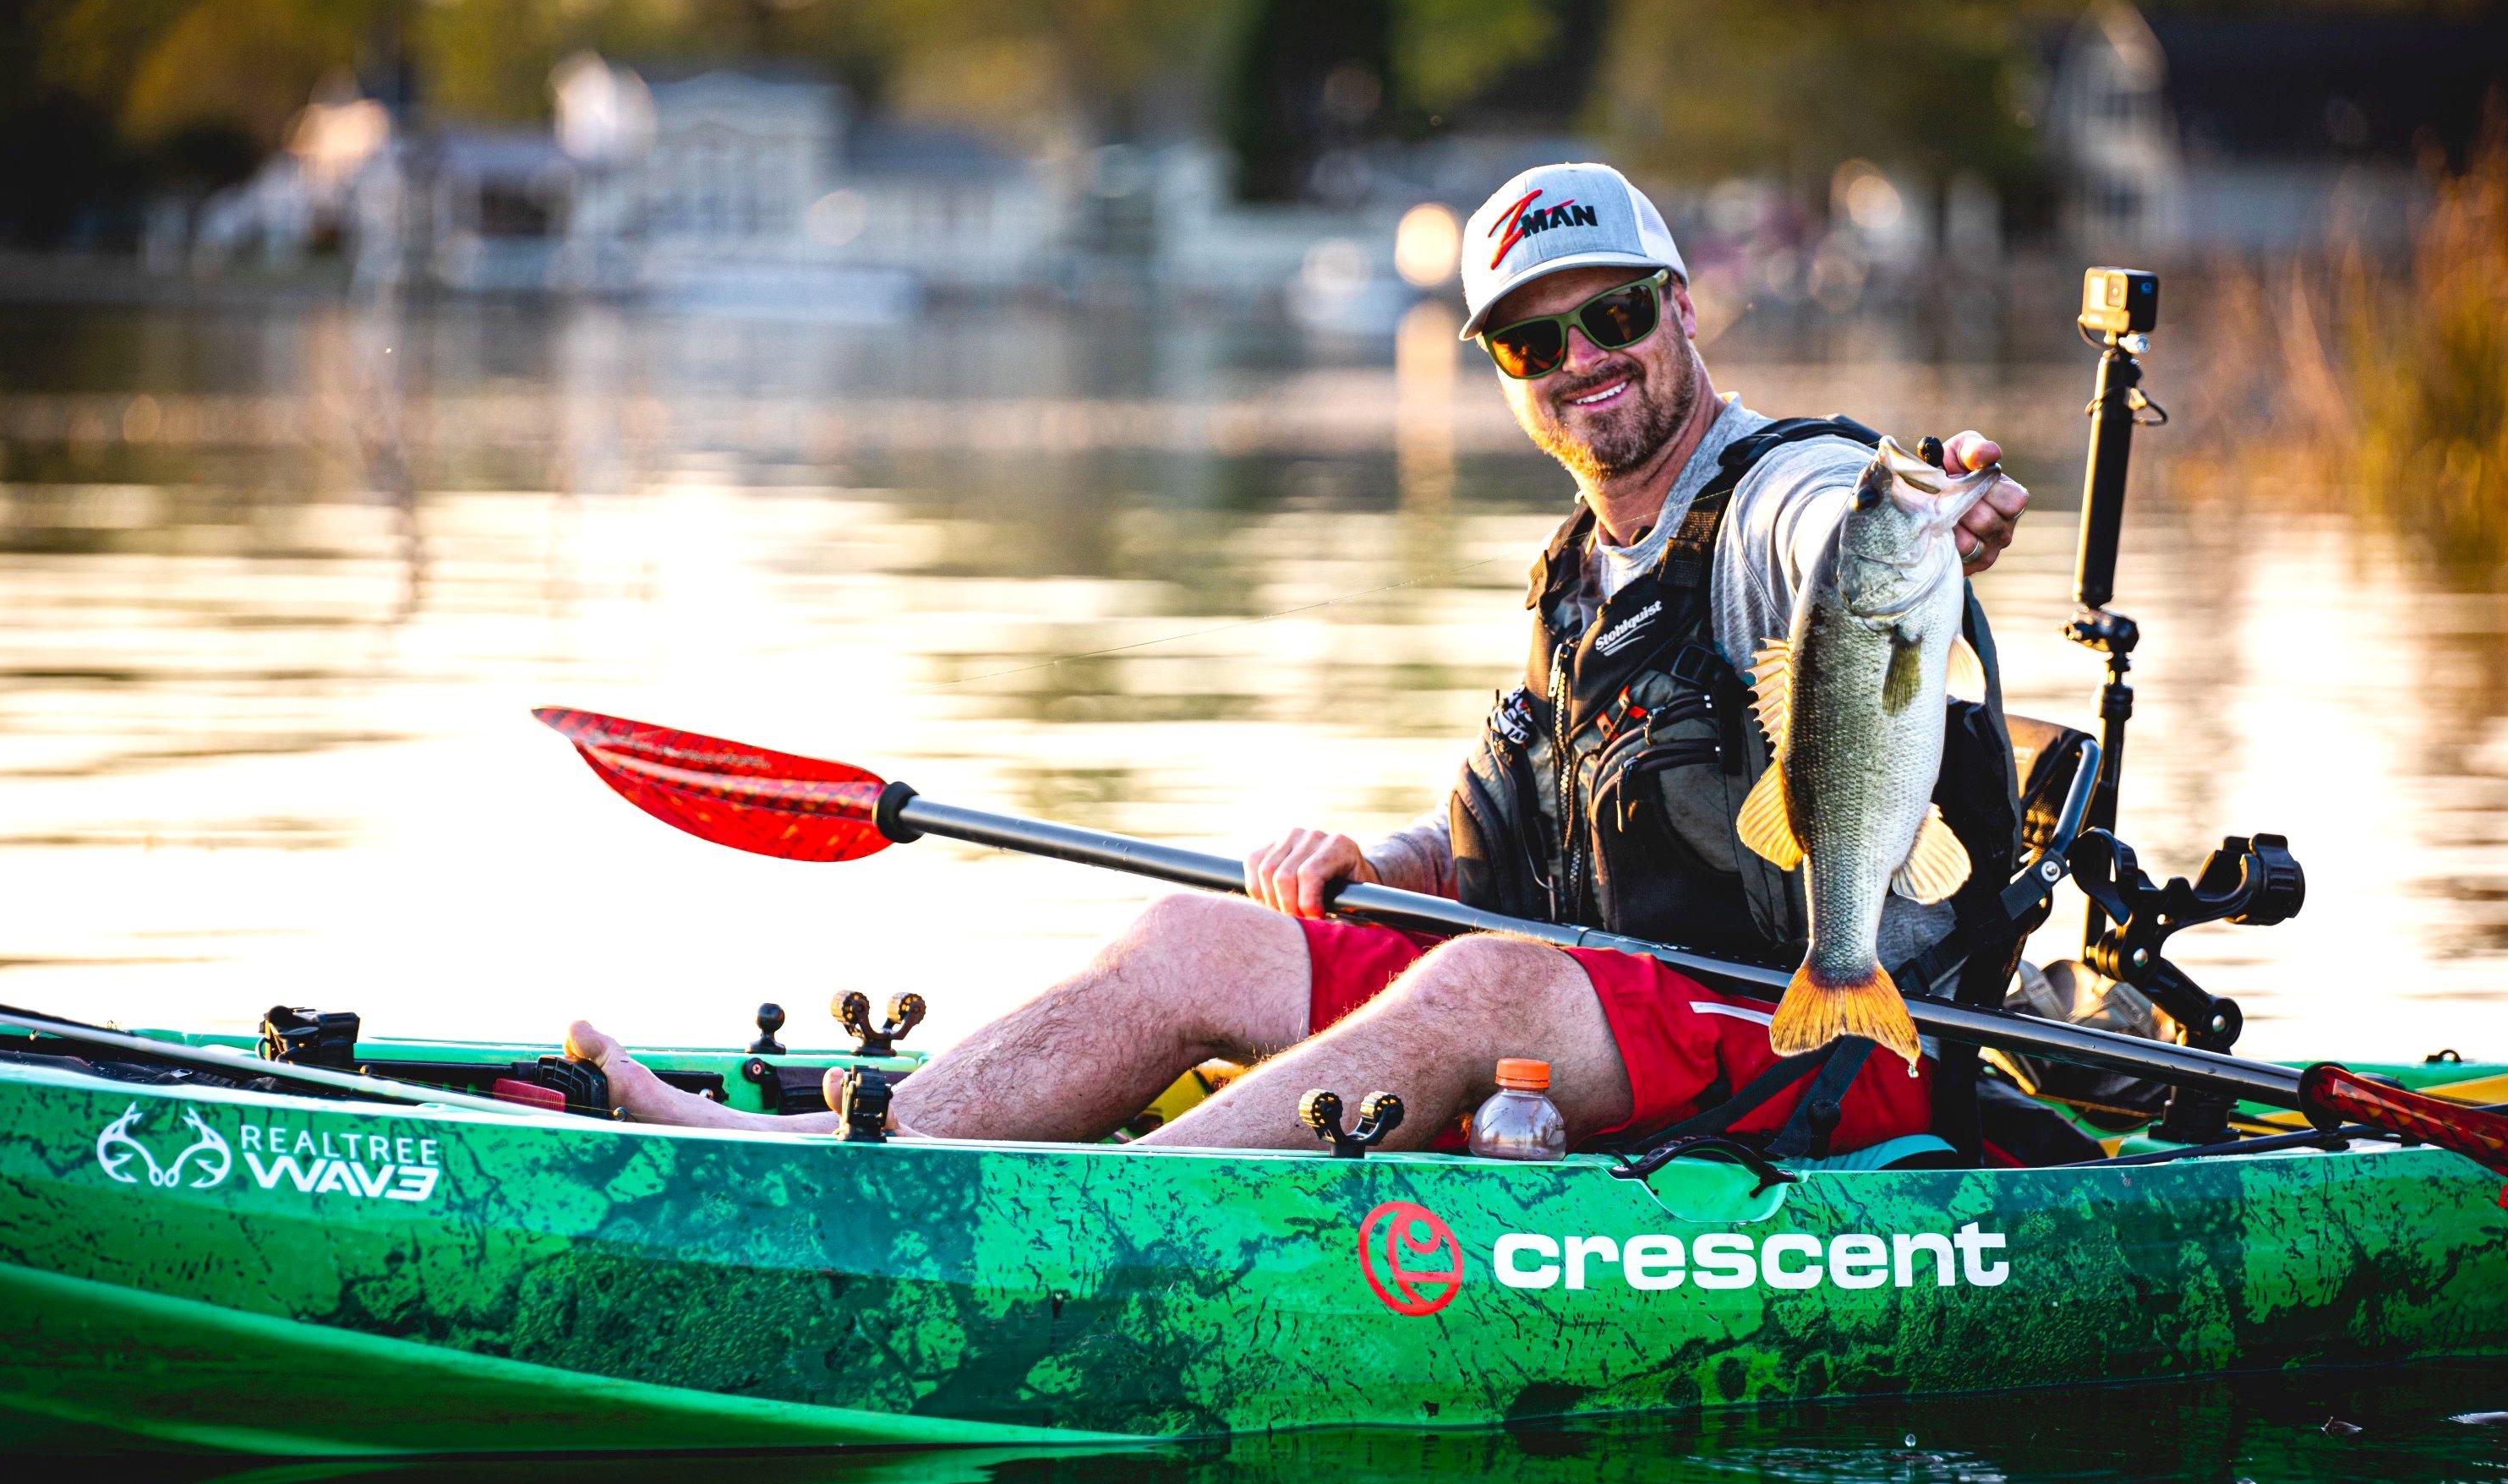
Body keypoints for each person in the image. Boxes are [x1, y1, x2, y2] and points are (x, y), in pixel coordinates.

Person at [570, 163, 2030, 1157]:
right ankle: (855, 1159)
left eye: (1615, 314)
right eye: (1534, 343)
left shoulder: (1791, 496)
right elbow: (1482, 851)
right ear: (1506, 376)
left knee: (1488, 990)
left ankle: (1113, 1223)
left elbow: (1843, 510)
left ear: (1683, 306)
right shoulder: (1574, 578)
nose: (1584, 357)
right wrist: (1362, 860)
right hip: (1614, 1002)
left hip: (1813, 1033)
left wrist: (1934, 510)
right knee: (1193, 936)